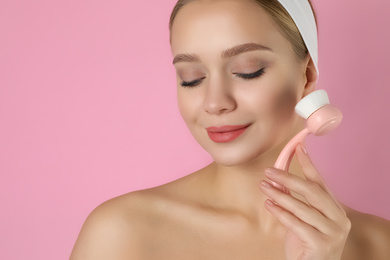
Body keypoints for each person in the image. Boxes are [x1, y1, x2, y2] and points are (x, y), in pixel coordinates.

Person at [70, 0, 390, 259]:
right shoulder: (121, 232)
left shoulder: (379, 245)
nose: (215, 102)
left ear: (306, 75)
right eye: (191, 78)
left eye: (246, 71)